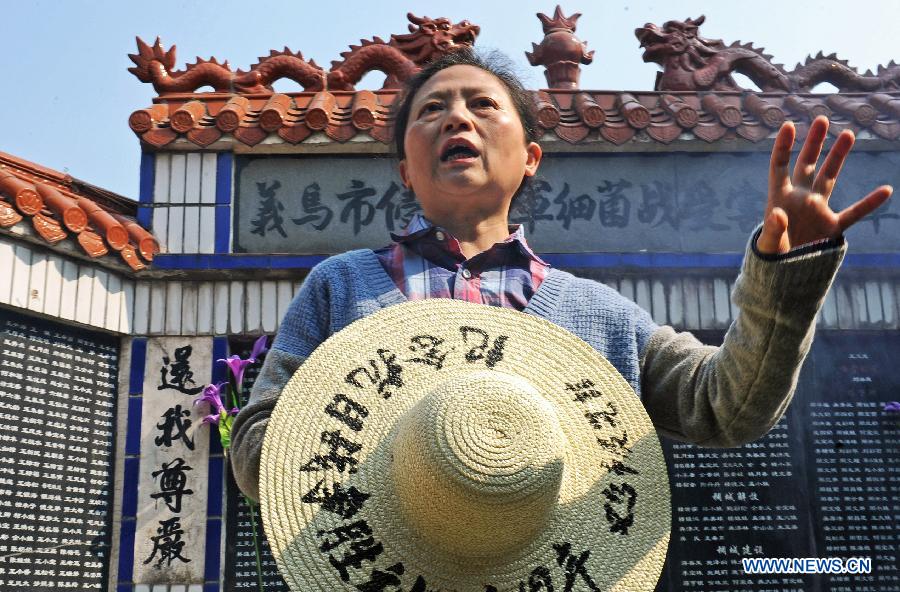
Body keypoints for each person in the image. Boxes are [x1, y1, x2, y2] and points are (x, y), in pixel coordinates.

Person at [230, 49, 892, 502]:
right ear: (405, 169)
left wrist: (784, 275)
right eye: (432, 110)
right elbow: (259, 439)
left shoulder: (600, 315)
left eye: (482, 106)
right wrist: (405, 470)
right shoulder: (341, 287)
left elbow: (723, 405)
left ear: (530, 159)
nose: (456, 117)